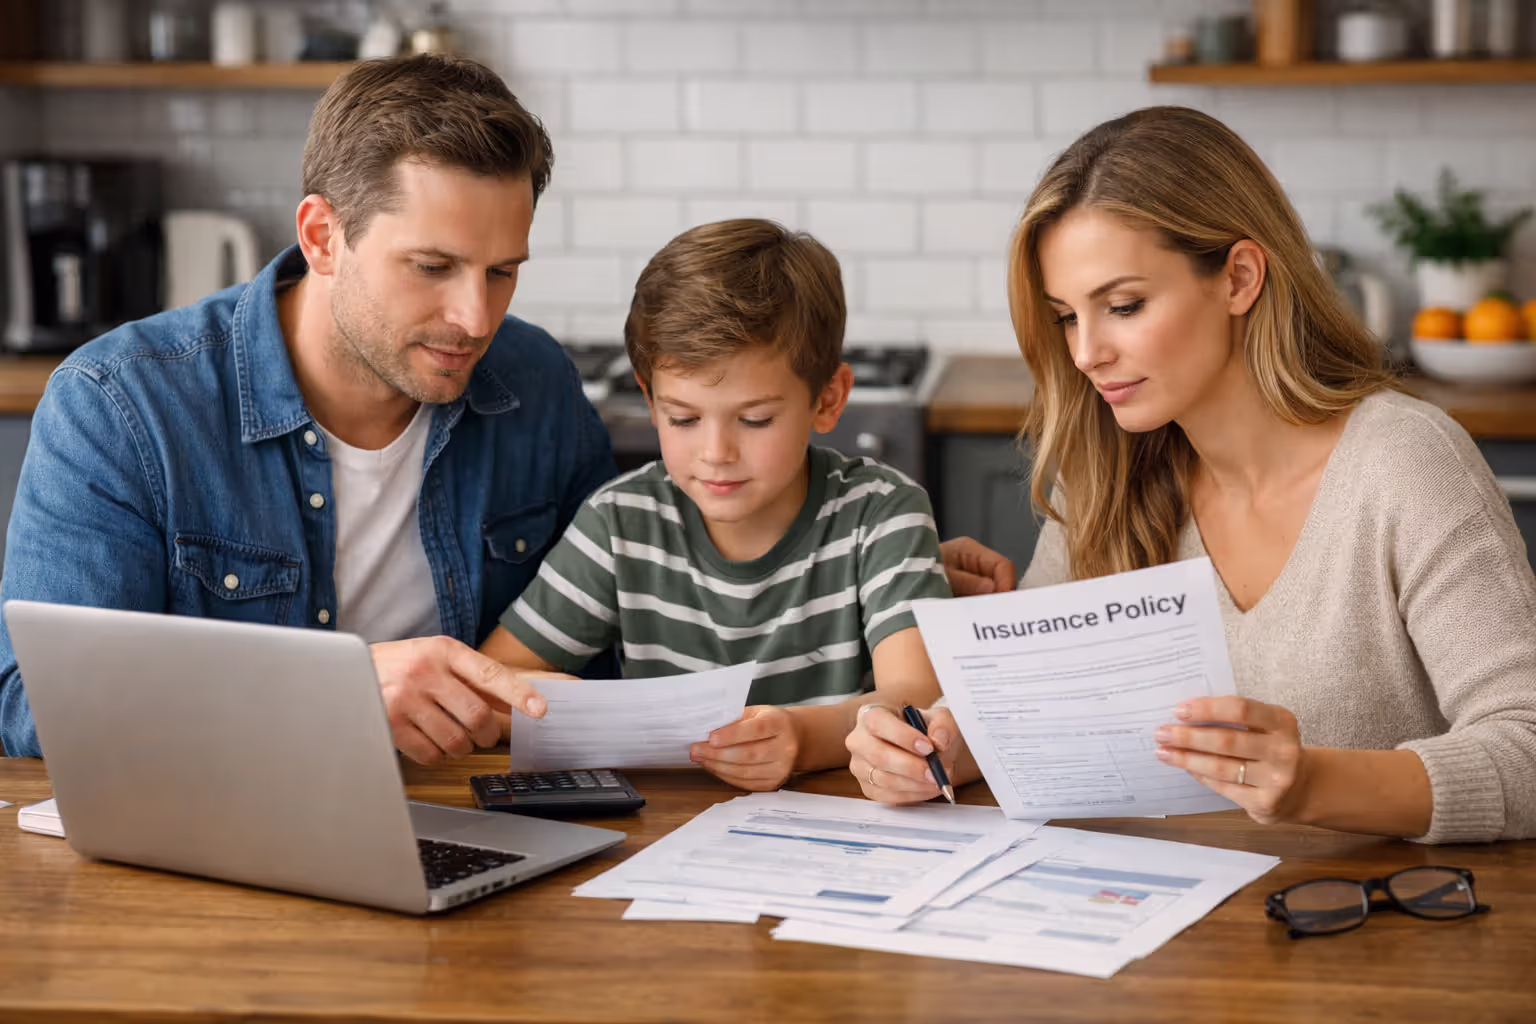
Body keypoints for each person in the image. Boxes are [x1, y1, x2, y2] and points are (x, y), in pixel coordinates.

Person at [847, 106, 1536, 844]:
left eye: (1122, 306)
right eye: (1066, 318)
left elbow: (1525, 748)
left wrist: (1308, 782)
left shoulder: (1404, 464)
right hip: (1168, 928)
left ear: (1238, 278)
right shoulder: (1106, 472)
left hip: (1374, 930)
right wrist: (947, 743)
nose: (1086, 354)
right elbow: (1041, 716)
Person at [0, 55, 616, 762]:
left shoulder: (537, 384)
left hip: (475, 816)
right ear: (322, 237)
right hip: (227, 831)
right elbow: (36, 704)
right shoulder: (119, 404)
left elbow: (611, 648)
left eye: (502, 271)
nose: (476, 318)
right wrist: (333, 698)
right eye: (432, 267)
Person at [480, 219, 952, 791]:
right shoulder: (620, 524)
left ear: (827, 400)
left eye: (754, 420)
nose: (715, 453)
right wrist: (606, 712)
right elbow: (493, 686)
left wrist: (800, 738)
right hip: (660, 830)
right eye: (683, 418)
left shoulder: (881, 514)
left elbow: (914, 698)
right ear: (650, 401)